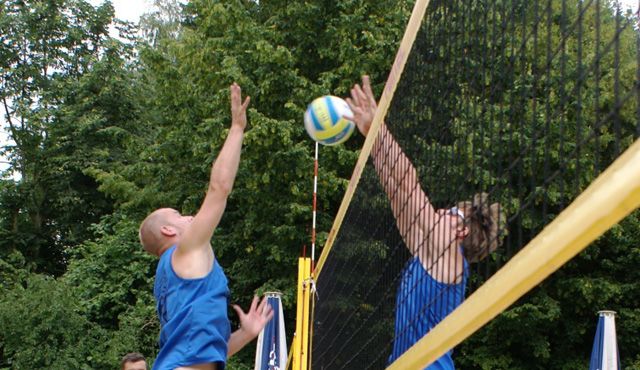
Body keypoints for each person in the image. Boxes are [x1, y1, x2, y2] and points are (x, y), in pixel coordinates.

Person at [346, 76, 505, 369]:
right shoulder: (428, 253)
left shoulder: (450, 261)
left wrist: (378, 127)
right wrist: (372, 138)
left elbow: (408, 181)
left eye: (450, 211)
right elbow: (397, 191)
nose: (441, 211)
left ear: (461, 231)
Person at [139, 83, 274, 370]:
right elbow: (219, 188)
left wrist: (247, 333)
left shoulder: (176, 280)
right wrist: (237, 128)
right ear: (167, 231)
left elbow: (208, 353)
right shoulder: (187, 249)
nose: (189, 216)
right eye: (177, 214)